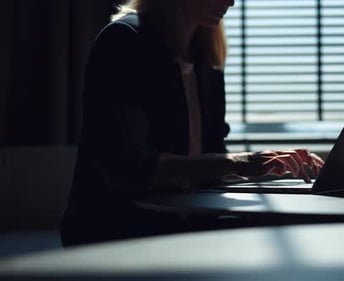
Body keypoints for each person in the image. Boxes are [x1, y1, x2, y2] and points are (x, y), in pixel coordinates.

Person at [60, 0, 324, 246]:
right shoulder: (124, 40)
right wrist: (238, 163)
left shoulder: (205, 57)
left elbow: (207, 156)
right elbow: (127, 166)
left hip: (185, 222)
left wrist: (273, 165)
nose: (231, 2)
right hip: (122, 228)